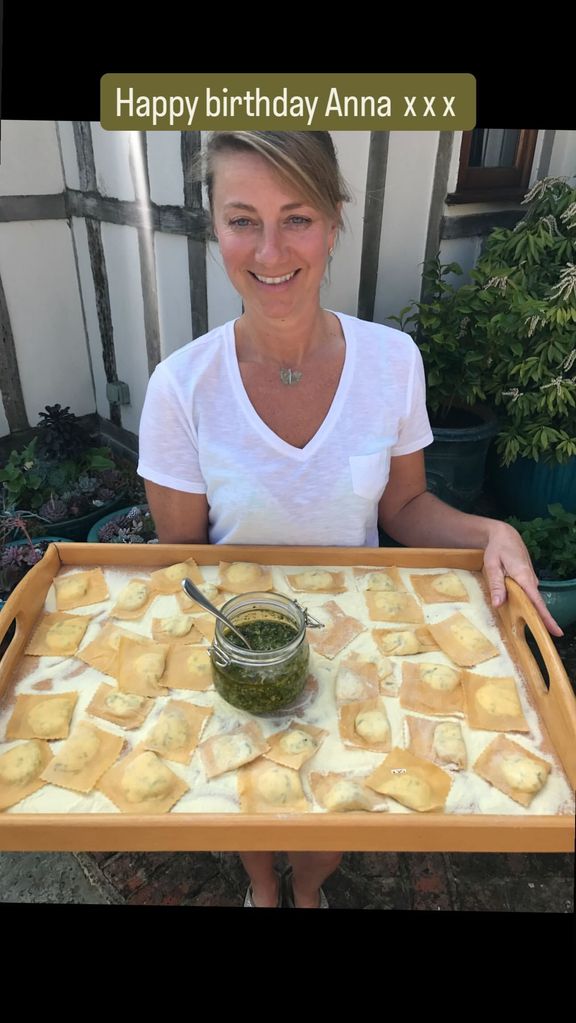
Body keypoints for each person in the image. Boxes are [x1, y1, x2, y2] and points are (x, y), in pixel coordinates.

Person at [138, 130, 561, 909]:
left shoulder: (393, 361)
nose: (270, 249)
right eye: (242, 219)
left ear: (334, 221)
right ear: (214, 229)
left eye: (296, 217)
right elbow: (182, 556)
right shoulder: (179, 387)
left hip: (357, 638)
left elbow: (403, 506)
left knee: (329, 803)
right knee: (249, 796)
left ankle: (307, 887)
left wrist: (489, 532)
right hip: (242, 638)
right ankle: (262, 885)